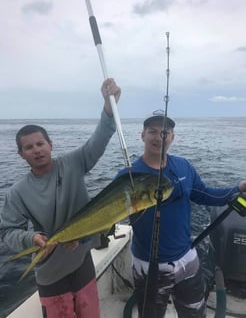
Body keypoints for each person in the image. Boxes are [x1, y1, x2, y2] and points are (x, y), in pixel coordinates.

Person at [0, 78, 121, 318]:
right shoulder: (17, 192)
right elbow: (7, 232)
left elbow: (99, 140)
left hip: (81, 260)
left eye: (40, 143)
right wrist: (31, 238)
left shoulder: (73, 163)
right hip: (50, 271)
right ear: (20, 154)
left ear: (50, 145)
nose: (36, 149)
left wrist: (109, 107)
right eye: (29, 147)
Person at [116, 110, 246, 318]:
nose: (159, 137)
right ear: (142, 135)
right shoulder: (127, 177)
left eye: (165, 132)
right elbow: (109, 213)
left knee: (195, 314)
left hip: (187, 260)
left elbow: (204, 194)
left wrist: (237, 188)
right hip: (148, 267)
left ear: (173, 138)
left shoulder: (184, 166)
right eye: (152, 131)